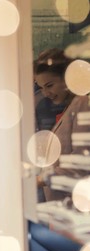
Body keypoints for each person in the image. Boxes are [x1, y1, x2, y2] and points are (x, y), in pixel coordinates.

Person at [33, 48, 90, 202]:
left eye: (49, 85)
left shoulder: (83, 104)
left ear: (67, 78)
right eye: (42, 87)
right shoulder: (71, 107)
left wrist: (40, 180)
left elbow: (82, 164)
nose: (46, 93)